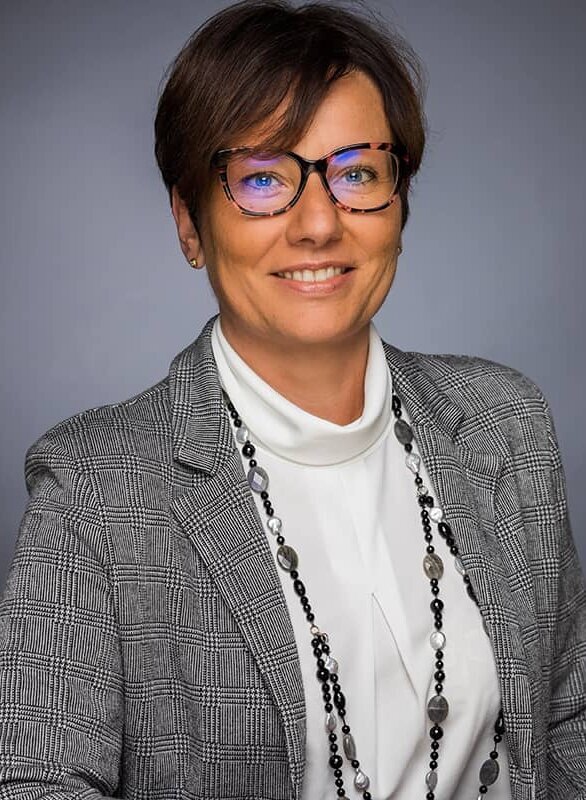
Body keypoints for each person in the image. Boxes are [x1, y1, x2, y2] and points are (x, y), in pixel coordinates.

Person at [0, 0, 584, 798]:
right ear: (189, 222)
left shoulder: (506, 426)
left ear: (400, 206)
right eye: (263, 178)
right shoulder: (95, 493)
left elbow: (567, 721)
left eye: (357, 173)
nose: (318, 223)